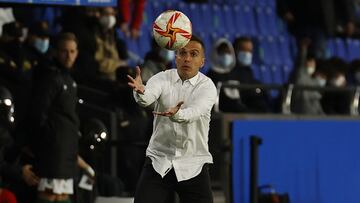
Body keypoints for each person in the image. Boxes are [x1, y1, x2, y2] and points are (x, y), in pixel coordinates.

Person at [127, 35, 217, 203]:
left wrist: (177, 114)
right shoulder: (162, 77)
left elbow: (195, 112)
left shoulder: (207, 86)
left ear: (202, 62)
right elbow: (147, 98)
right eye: (182, 53)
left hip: (194, 164)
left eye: (194, 54)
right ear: (176, 57)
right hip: (159, 161)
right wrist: (140, 92)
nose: (187, 59)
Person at [28, 33, 93, 203]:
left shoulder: (70, 80)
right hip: (52, 152)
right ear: (56, 52)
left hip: (66, 151)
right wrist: (49, 139)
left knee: (62, 195)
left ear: (77, 53)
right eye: (64, 51)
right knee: (49, 194)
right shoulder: (50, 78)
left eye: (72, 51)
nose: (69, 56)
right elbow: (37, 115)